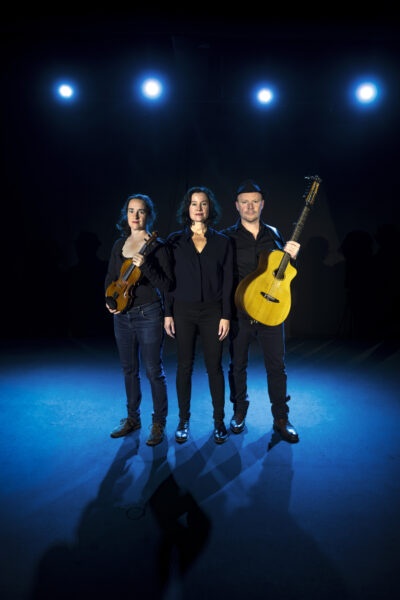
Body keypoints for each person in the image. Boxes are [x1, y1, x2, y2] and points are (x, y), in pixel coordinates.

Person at [221, 179, 300, 443]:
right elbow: (220, 278)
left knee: (277, 367)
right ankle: (239, 412)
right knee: (237, 366)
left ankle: (281, 418)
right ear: (237, 205)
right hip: (240, 313)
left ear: (262, 204)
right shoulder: (226, 237)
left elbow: (283, 273)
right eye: (245, 202)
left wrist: (292, 256)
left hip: (271, 312)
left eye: (255, 202)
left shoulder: (274, 234)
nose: (250, 207)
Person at [164, 186, 234, 444]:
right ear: (187, 208)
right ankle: (183, 420)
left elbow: (228, 281)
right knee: (184, 366)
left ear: (210, 208)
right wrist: (167, 313)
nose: (198, 208)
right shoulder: (174, 241)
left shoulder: (223, 242)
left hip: (213, 312)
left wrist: (226, 315)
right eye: (194, 203)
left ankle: (219, 421)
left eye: (203, 203)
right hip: (182, 311)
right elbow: (168, 280)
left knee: (214, 367)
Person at [105, 193, 174, 446]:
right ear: (126, 215)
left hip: (149, 314)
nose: (135, 216)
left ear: (148, 215)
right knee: (129, 369)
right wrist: (109, 299)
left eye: (141, 211)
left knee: (154, 370)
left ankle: (158, 422)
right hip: (122, 316)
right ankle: (132, 418)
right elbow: (111, 277)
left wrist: (145, 265)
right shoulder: (119, 245)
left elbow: (167, 284)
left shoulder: (158, 246)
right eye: (131, 211)